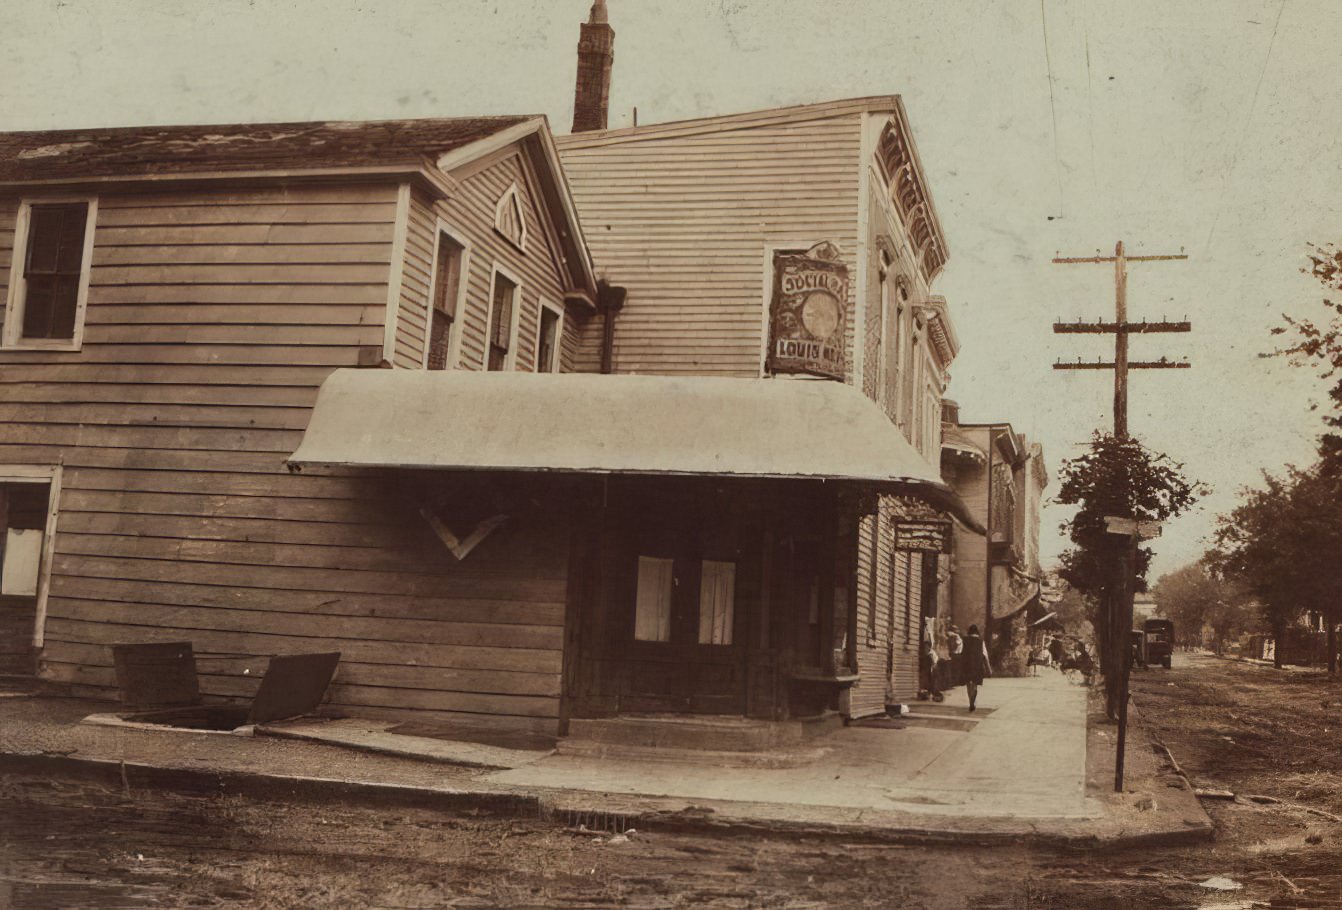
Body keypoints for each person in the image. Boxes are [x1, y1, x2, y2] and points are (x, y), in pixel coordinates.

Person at [963, 624, 991, 712]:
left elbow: (960, 652)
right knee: (975, 684)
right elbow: (985, 655)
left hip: (966, 664)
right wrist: (989, 668)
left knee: (968, 684)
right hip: (977, 665)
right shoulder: (981, 641)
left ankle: (970, 702)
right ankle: (973, 700)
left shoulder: (965, 640)